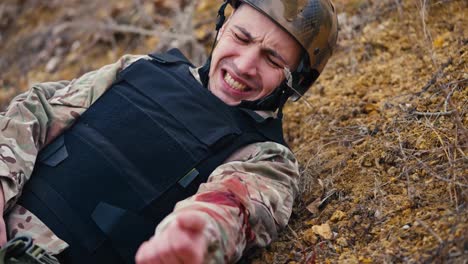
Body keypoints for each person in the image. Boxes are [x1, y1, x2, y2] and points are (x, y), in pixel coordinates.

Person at [0, 0, 338, 263]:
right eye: (241, 37)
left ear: (297, 81)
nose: (245, 64)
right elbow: (37, 111)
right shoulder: (139, 68)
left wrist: (195, 238)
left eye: (272, 59)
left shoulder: (267, 159)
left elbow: (231, 208)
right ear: (223, 27)